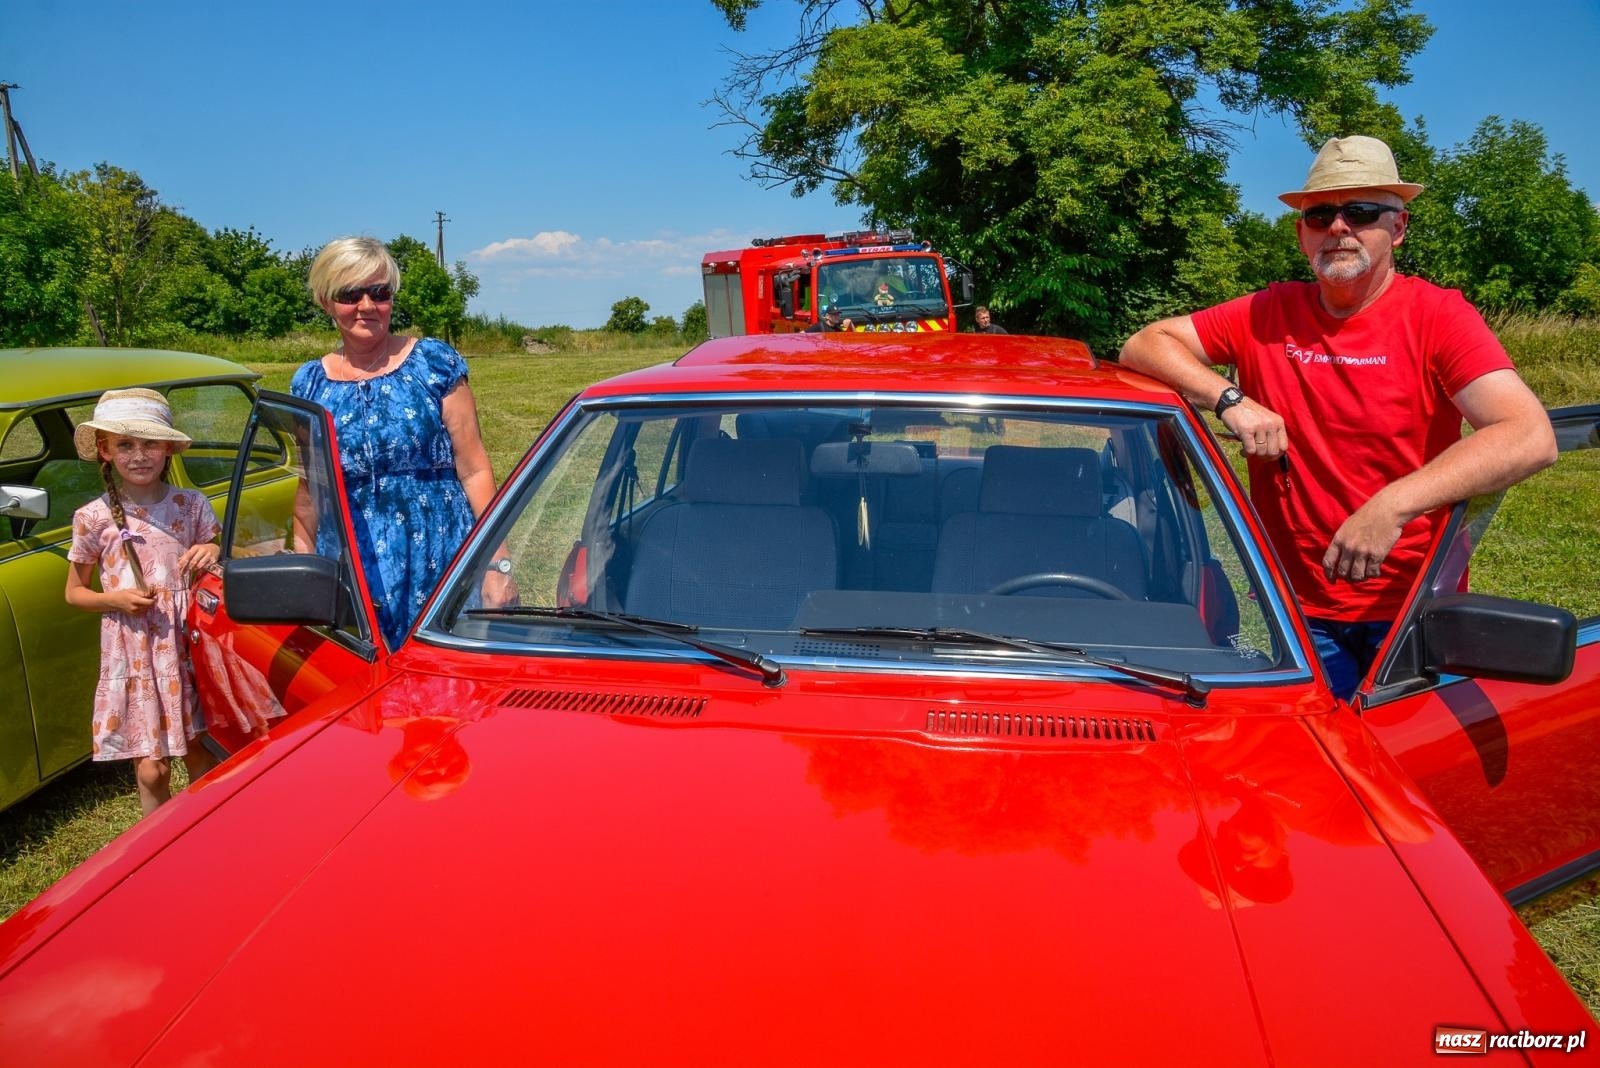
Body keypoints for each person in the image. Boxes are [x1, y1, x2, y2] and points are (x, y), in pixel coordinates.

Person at [1119, 135, 1556, 699]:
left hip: (1410, 611)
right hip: (1295, 616)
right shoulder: (1267, 312)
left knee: (1408, 765)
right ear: (1302, 233)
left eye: (1361, 211)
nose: (1338, 227)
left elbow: (1528, 434)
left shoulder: (1438, 317)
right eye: (1320, 214)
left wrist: (1391, 506)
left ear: (1397, 227)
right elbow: (1145, 343)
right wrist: (1229, 398)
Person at [292, 236, 515, 649]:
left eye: (379, 292)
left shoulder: (434, 363)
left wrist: (497, 564)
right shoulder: (310, 383)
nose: (366, 305)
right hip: (353, 566)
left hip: (439, 553)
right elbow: (311, 489)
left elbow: (475, 468)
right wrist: (305, 568)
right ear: (326, 301)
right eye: (349, 293)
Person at [65, 389, 222, 816]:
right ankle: (159, 844)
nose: (139, 455)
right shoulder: (92, 517)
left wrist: (212, 551)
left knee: (197, 750)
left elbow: (212, 553)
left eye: (149, 443)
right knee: (152, 769)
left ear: (167, 448)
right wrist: (113, 599)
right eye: (125, 445)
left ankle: (209, 830)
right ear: (105, 451)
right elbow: (74, 592)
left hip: (184, 641)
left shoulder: (191, 504)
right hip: (135, 650)